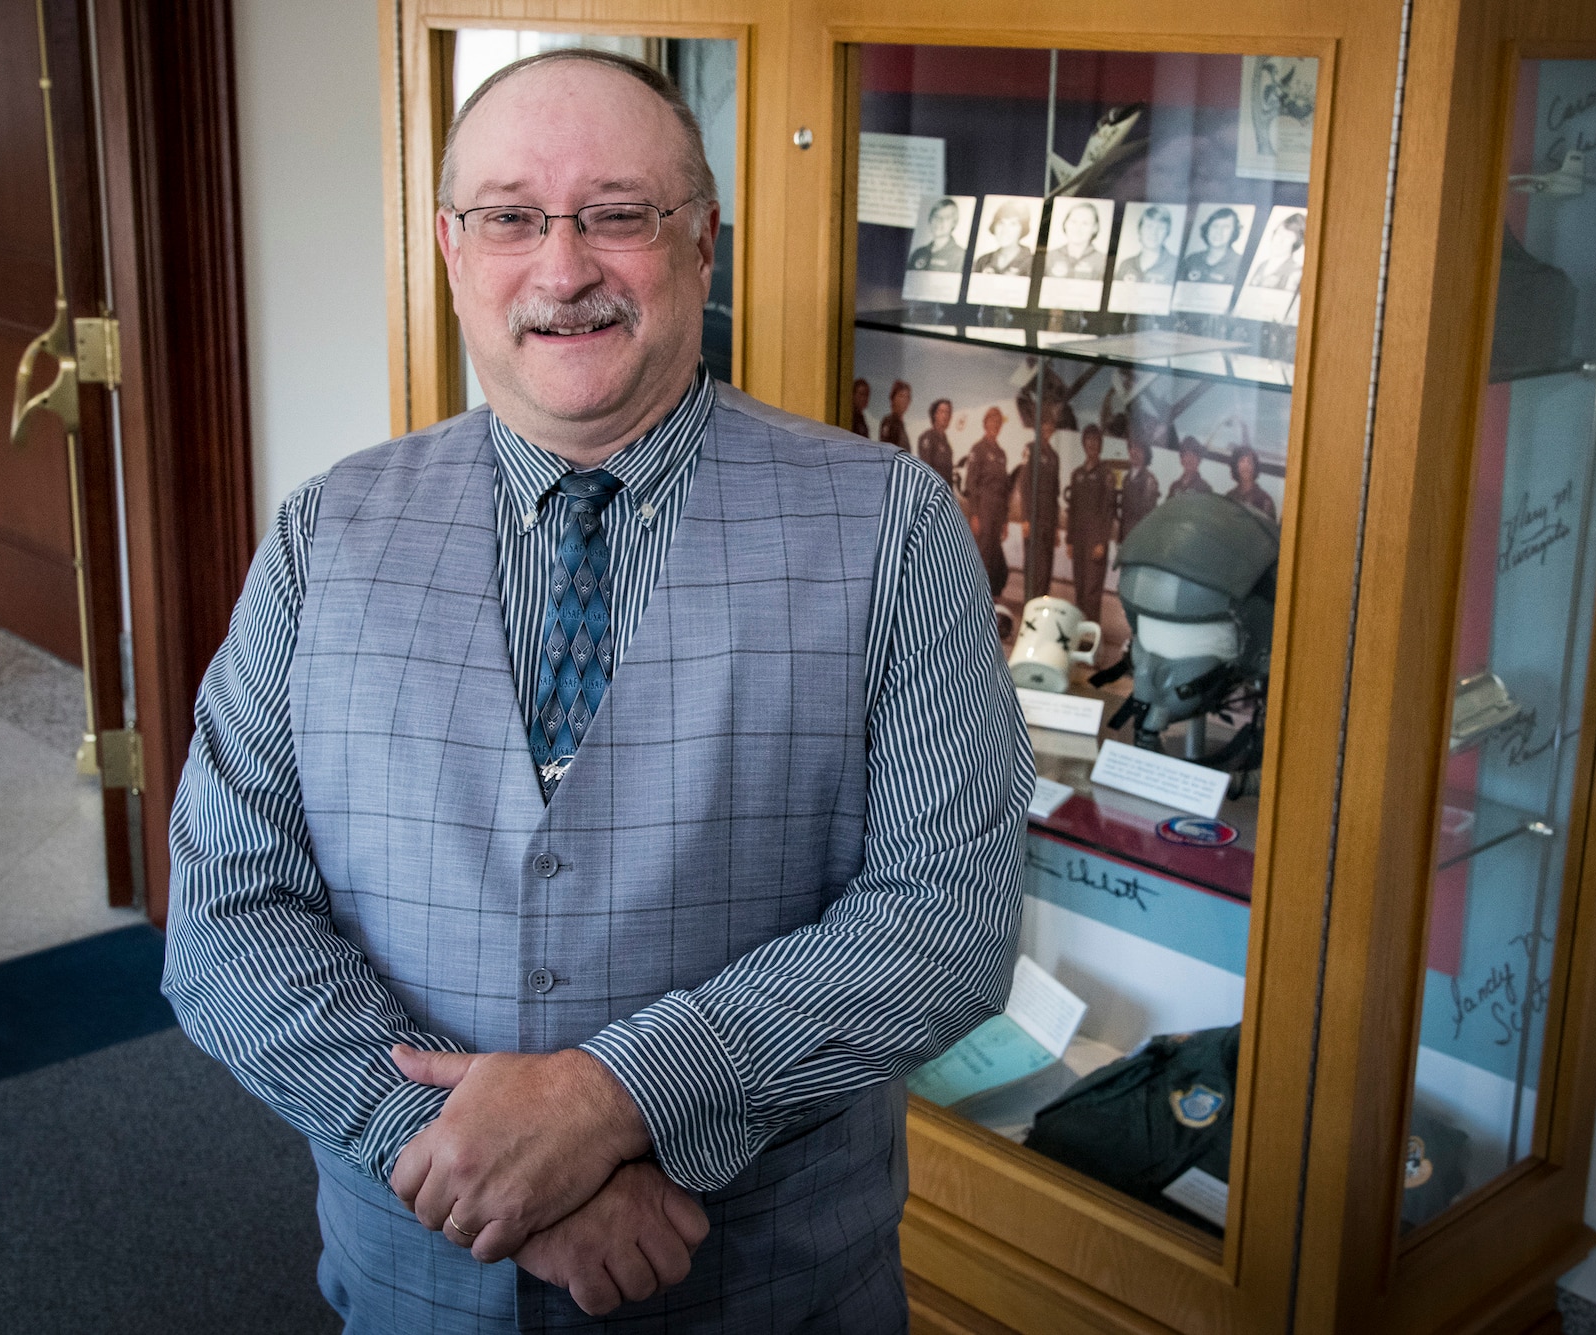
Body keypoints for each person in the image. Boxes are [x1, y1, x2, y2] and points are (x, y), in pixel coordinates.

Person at [161, 48, 1028, 1335]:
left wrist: (615, 1098)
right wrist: (474, 1165)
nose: (562, 270)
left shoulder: (889, 525)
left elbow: (945, 923)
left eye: (618, 214)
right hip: (413, 1279)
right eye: (511, 217)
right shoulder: (323, 533)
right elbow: (226, 914)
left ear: (701, 245)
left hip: (761, 1291)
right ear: (452, 250)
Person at [1064, 425, 1116, 621]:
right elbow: (1072, 509)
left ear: (1100, 445)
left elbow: (1108, 510)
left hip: (1095, 542)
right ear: (1084, 444)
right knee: (1079, 587)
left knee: (1091, 592)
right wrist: (1069, 539)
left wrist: (1102, 541)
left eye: (1096, 441)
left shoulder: (1106, 474)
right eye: (1089, 441)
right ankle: (1080, 630)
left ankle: (1090, 637)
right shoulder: (1077, 474)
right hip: (1079, 540)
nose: (1092, 445)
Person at [963, 406, 1013, 597]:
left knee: (995, 560)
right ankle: (975, 597)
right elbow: (971, 484)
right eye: (992, 421)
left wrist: (1005, 520)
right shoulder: (978, 449)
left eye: (998, 422)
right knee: (982, 555)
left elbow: (1005, 490)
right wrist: (974, 515)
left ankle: (990, 597)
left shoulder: (1001, 454)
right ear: (985, 424)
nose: (995, 425)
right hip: (983, 510)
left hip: (998, 512)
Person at [1010, 431, 1062, 598]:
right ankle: (1030, 606)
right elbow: (1025, 484)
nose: (1047, 428)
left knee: (1046, 569)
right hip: (1033, 519)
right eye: (1044, 424)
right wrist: (1026, 518)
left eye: (1050, 425)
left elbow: (1055, 493)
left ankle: (1040, 607)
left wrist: (1056, 527)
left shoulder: (1054, 456)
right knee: (1033, 567)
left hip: (1049, 520)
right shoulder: (1030, 449)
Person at [1042, 201, 1106, 280]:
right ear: (1065, 224)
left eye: (1085, 223)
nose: (1078, 228)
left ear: (1095, 228)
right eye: (1073, 222)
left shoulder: (1103, 261)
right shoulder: (1049, 256)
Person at [1179, 207, 1245, 285]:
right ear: (1207, 230)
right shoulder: (1191, 260)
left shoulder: (1240, 264)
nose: (1219, 232)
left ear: (1234, 232)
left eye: (1226, 227)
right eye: (1215, 226)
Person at [1114, 206, 1178, 284]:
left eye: (1161, 228)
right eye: (1149, 226)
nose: (1154, 233)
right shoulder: (1126, 264)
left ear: (1167, 233)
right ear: (1140, 229)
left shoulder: (1175, 265)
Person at [972, 200, 1036, 275]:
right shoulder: (983, 261)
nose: (1005, 230)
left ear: (1023, 228)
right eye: (1001, 223)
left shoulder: (1032, 262)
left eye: (1013, 224)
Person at [1118, 435, 1161, 542]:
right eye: (1132, 447)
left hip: (1138, 539)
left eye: (1139, 448)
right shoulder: (1127, 478)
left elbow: (1146, 516)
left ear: (1145, 453)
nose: (1134, 452)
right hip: (1125, 537)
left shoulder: (1149, 480)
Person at [1250, 211, 1306, 291]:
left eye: (1288, 237)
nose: (1280, 241)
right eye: (1279, 234)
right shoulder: (1262, 265)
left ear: (1296, 243)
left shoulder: (1296, 272)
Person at [907, 197, 966, 272]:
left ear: (954, 223)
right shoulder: (918, 253)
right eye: (936, 216)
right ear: (930, 220)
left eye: (947, 217)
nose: (940, 221)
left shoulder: (960, 256)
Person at [1226, 442, 1277, 521]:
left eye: (1249, 461)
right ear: (1235, 466)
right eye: (1242, 461)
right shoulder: (1229, 496)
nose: (1246, 465)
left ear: (1255, 467)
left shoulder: (1265, 501)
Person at [918, 397, 956, 486]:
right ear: (935, 414)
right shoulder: (928, 438)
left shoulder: (946, 443)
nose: (945, 416)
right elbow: (926, 471)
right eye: (942, 412)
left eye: (948, 412)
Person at [878, 379, 912, 450]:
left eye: (907, 397)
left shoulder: (900, 424)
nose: (905, 400)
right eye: (901, 396)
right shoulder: (889, 422)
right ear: (893, 398)